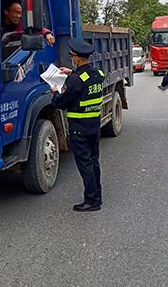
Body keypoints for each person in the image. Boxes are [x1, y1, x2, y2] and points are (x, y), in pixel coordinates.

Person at [51, 39, 105, 212]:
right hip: (94, 126)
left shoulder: (75, 80)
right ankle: (97, 195)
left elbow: (61, 103)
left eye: (72, 56)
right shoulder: (98, 74)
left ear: (78, 58)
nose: (72, 59)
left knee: (85, 164)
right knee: (93, 161)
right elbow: (84, 79)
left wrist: (56, 92)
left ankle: (91, 201)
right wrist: (71, 73)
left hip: (79, 128)